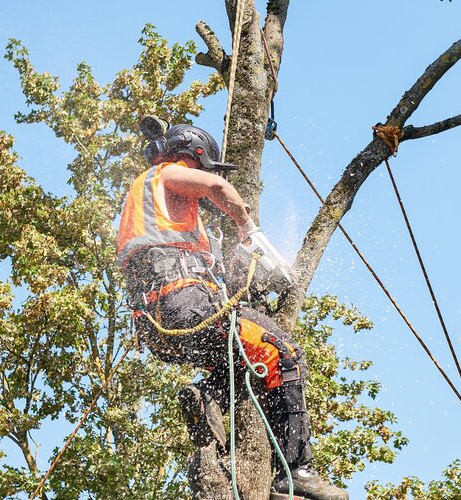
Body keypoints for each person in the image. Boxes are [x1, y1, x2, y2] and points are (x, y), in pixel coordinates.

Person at [117, 117, 348, 500]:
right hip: (185, 301)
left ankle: (207, 396)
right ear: (196, 153)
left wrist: (255, 274)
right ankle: (297, 475)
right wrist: (246, 225)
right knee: (284, 354)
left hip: (159, 327)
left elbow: (220, 272)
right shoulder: (166, 174)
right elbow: (216, 186)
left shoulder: (158, 216)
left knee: (243, 364)